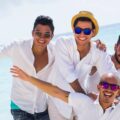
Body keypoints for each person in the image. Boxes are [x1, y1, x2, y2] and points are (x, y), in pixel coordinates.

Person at [46, 10, 117, 120]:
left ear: (93, 32)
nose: (82, 34)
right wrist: (86, 99)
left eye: (87, 31)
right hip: (57, 103)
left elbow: (111, 74)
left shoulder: (98, 51)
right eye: (78, 30)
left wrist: (114, 96)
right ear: (73, 30)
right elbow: (68, 75)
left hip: (79, 107)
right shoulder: (62, 43)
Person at [10, 66, 120, 120]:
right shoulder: (84, 102)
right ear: (98, 87)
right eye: (105, 85)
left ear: (118, 91)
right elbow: (56, 92)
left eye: (113, 87)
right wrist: (28, 78)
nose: (109, 89)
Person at [0, 15, 55, 120]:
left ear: (52, 36)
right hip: (20, 107)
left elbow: (74, 52)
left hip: (42, 107)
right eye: (38, 33)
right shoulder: (18, 46)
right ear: (32, 33)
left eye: (47, 35)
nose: (42, 38)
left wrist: (94, 46)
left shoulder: (55, 51)